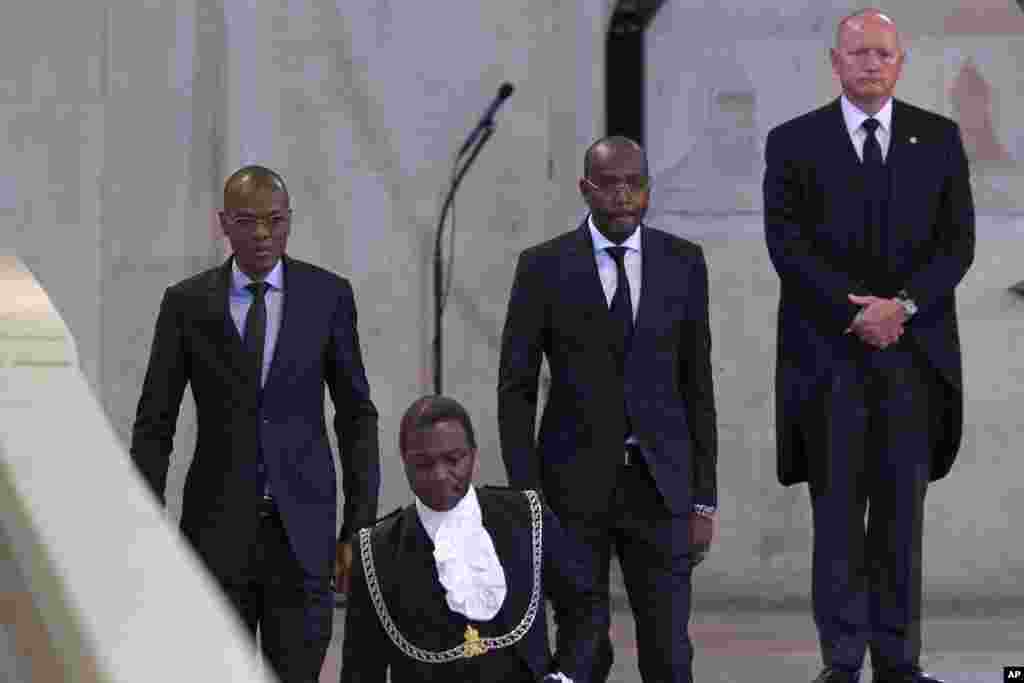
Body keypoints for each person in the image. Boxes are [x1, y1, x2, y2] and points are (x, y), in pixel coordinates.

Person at [763, 10, 974, 683]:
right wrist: (856, 315)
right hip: (829, 361)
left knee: (899, 522)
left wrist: (901, 308)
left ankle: (899, 662)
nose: (871, 64)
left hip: (912, 360)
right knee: (837, 521)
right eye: (858, 53)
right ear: (836, 61)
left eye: (883, 53)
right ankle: (842, 660)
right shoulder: (792, 142)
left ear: (901, 63)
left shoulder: (938, 139)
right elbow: (787, 246)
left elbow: (956, 244)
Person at [130, 165, 380, 682]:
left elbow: (356, 416)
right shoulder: (187, 303)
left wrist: (357, 527)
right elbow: (156, 422)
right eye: (247, 221)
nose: (263, 235)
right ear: (224, 223)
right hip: (216, 531)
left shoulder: (327, 297)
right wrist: (146, 527)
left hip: (304, 535)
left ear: (290, 222)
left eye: (276, 221)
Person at [498, 136, 718, 683]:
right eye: (609, 183)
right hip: (571, 490)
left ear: (647, 189)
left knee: (669, 653)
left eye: (633, 183)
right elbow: (515, 389)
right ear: (585, 189)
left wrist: (704, 499)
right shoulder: (543, 267)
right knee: (581, 648)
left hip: (661, 486)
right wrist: (529, 497)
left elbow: (697, 386)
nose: (622, 195)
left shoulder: (683, 263)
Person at [340, 395, 606, 682]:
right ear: (404, 462)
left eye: (454, 459)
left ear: (474, 456)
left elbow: (584, 607)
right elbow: (361, 670)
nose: (440, 475)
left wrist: (565, 677)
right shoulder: (374, 551)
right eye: (423, 463)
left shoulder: (528, 516)